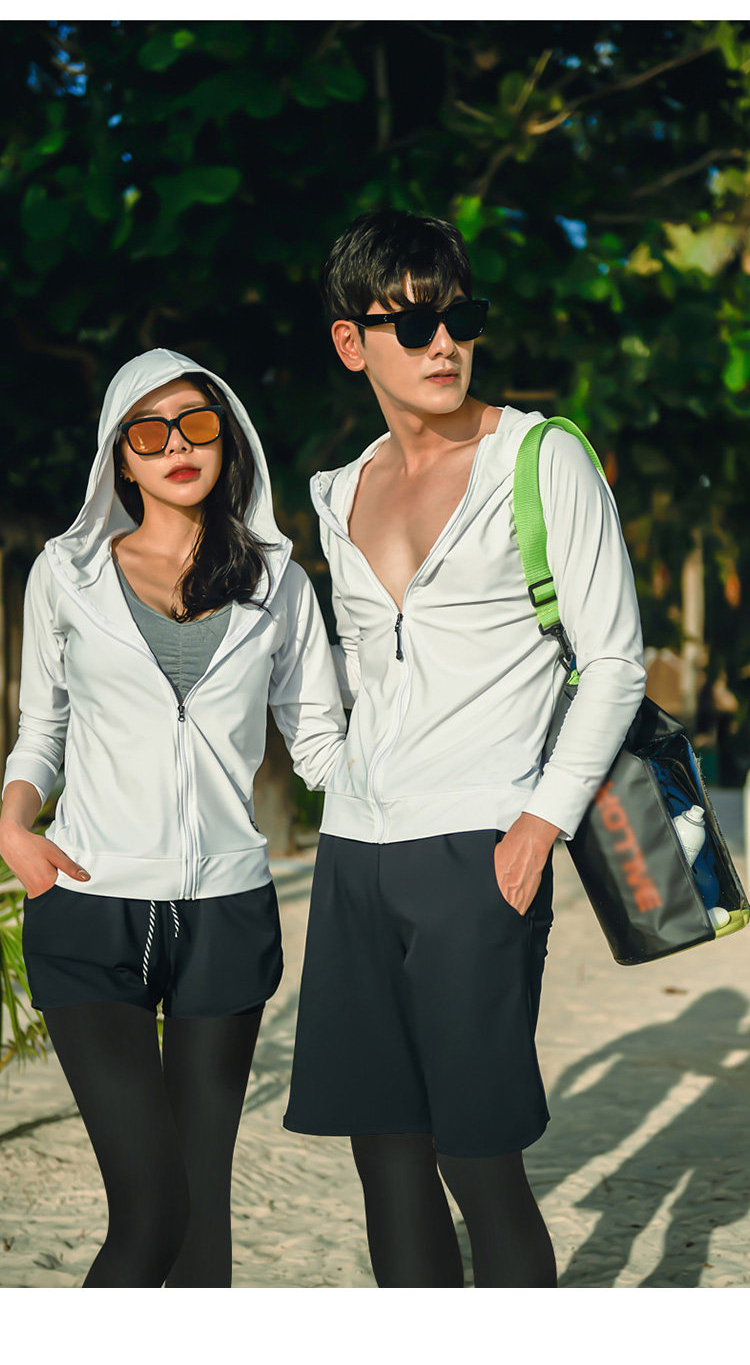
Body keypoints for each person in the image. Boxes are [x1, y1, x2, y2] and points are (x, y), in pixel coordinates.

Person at [283, 209, 647, 1287]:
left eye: (461, 317)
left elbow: (615, 660)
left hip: (481, 850)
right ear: (351, 342)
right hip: (355, 852)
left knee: (477, 1157)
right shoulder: (338, 492)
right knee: (386, 1160)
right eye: (413, 323)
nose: (444, 343)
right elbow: (355, 670)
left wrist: (539, 823)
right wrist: (330, 772)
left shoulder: (540, 459)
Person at [0, 346, 347, 1288]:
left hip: (227, 915)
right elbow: (42, 731)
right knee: (152, 1209)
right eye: (148, 434)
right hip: (88, 906)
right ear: (120, 457)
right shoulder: (66, 574)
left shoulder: (279, 584)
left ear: (227, 439)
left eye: (196, 425)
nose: (176, 447)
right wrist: (14, 825)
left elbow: (321, 746)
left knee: (201, 1222)